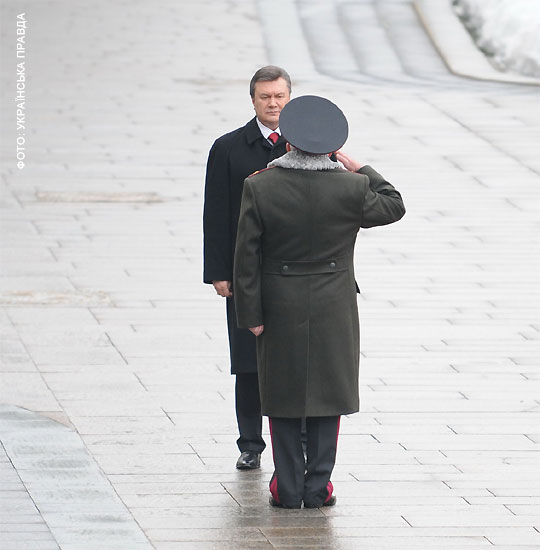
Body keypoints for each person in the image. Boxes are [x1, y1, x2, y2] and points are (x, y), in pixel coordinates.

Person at [233, 95, 406, 508]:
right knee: (329, 398)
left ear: (289, 141)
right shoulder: (352, 187)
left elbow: (246, 257)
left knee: (282, 397)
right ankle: (318, 487)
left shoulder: (260, 185)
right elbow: (394, 204)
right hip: (333, 307)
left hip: (279, 305)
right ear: (332, 146)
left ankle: (287, 488)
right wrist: (359, 167)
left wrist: (250, 314)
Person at [203, 66, 291, 470]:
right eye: (265, 97)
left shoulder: (306, 144)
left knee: (293, 359)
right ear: (252, 100)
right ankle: (250, 443)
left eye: (279, 96)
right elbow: (216, 213)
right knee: (248, 361)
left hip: (291, 269)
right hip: (246, 271)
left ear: (289, 97)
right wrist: (218, 272)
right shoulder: (228, 147)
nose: (273, 104)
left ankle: (298, 438)